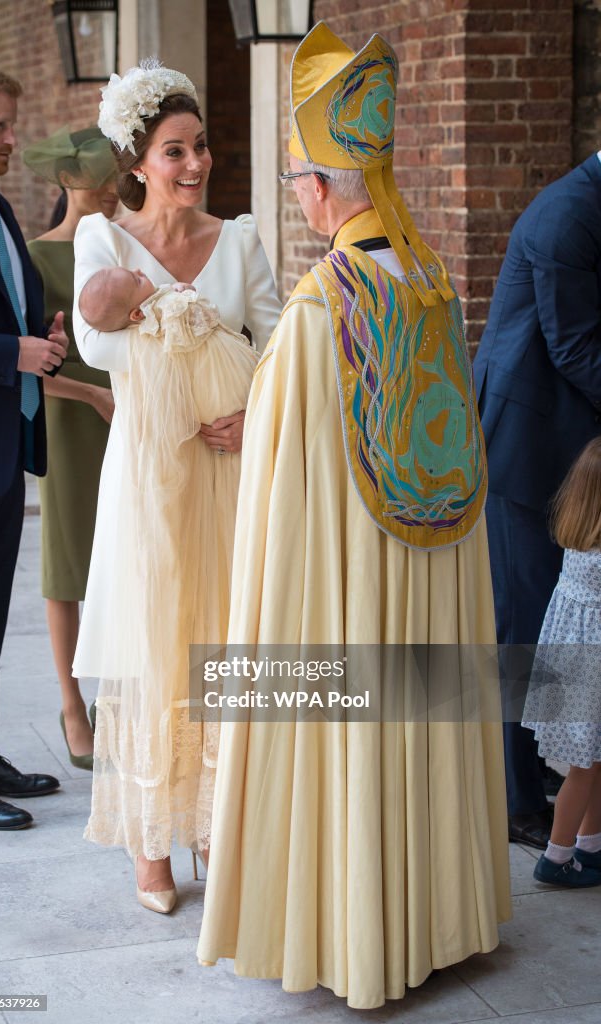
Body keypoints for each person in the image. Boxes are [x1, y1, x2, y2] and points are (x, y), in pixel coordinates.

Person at [196, 23, 511, 1009]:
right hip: (427, 577)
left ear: (323, 188)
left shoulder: (318, 314)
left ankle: (358, 932)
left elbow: (279, 514)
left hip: (344, 590)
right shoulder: (429, 285)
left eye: (296, 183)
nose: (297, 199)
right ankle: (436, 922)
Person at [72, 60, 282, 912]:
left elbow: (275, 345)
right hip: (152, 471)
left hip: (228, 466)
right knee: (158, 642)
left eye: (201, 147)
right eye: (174, 151)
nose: (194, 165)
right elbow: (97, 346)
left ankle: (214, 826)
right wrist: (148, 313)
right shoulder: (103, 241)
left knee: (226, 635)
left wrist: (258, 413)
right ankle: (152, 846)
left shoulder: (239, 239)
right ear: (136, 162)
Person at [473, 149, 601, 850]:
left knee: (566, 617)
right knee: (523, 622)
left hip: (570, 444)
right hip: (524, 445)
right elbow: (575, 346)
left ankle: (553, 775)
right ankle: (514, 794)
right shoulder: (567, 215)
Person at [0, 62, 69, 831]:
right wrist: (12, 356)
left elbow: (10, 309)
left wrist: (45, 337)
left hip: (1, 448)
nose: (11, 139)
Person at [22, 126, 118, 772]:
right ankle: (71, 703)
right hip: (69, 419)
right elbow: (31, 363)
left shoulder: (124, 247)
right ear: (66, 180)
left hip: (127, 414)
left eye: (115, 175)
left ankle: (116, 699)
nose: (109, 189)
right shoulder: (36, 257)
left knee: (120, 559)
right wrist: (90, 398)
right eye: (96, 176)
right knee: (66, 566)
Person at [522, 438, 601, 887]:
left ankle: (591, 845)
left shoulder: (580, 543)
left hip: (577, 668)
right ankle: (555, 858)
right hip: (589, 674)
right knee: (583, 768)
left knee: (593, 763)